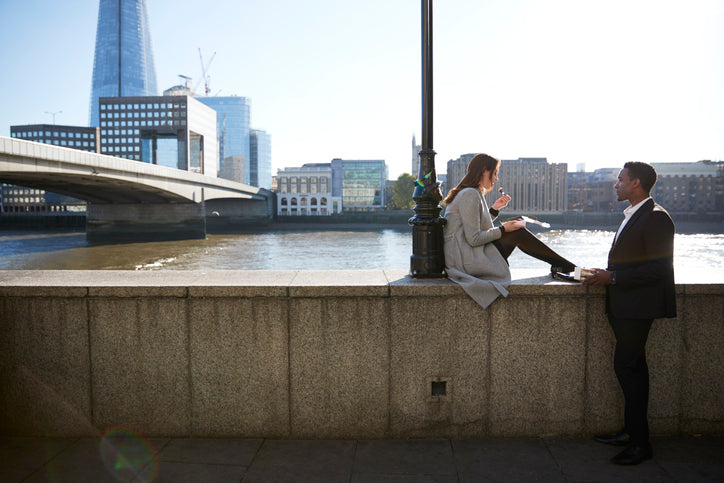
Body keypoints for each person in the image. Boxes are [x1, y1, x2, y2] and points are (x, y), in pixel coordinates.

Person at [583, 162, 676, 465]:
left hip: (637, 308)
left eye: (620, 180)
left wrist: (612, 279)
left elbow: (659, 270)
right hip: (626, 305)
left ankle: (640, 443)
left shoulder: (657, 218)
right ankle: (630, 432)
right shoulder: (635, 215)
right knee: (631, 370)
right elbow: (636, 261)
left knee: (630, 370)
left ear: (636, 183)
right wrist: (608, 272)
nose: (616, 184)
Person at [443, 153, 577, 308]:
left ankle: (562, 264)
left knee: (515, 230)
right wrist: (503, 229)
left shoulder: (469, 192)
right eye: (495, 173)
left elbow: (473, 228)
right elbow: (474, 238)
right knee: (517, 232)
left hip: (463, 257)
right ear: (484, 171)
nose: (496, 179)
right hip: (466, 261)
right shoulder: (470, 194)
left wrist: (494, 209)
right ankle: (566, 266)